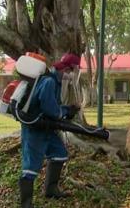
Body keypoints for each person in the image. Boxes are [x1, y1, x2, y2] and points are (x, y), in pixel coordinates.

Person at [19, 53, 81, 208]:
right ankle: (26, 204)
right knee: (31, 166)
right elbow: (50, 108)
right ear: (67, 68)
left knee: (59, 153)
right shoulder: (49, 81)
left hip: (46, 128)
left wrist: (67, 109)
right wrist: (65, 112)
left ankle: (51, 189)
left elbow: (53, 105)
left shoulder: (55, 81)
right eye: (72, 71)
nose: (72, 75)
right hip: (35, 128)